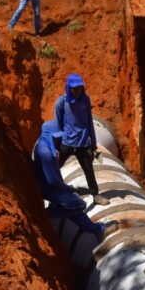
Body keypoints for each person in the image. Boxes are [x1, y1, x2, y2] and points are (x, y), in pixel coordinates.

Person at [31, 120, 115, 239]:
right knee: (78, 204)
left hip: (52, 186)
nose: (60, 140)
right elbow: (52, 181)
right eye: (57, 137)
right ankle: (46, 214)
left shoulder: (45, 145)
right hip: (49, 188)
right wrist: (71, 189)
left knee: (74, 211)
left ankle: (98, 230)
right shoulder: (46, 154)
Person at [54, 74, 106, 206]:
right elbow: (58, 124)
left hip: (83, 144)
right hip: (66, 143)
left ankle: (95, 195)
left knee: (89, 170)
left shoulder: (85, 100)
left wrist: (93, 142)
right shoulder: (62, 102)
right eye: (74, 88)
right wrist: (56, 145)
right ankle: (54, 193)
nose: (77, 91)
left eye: (79, 88)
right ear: (68, 88)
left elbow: (89, 121)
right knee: (55, 168)